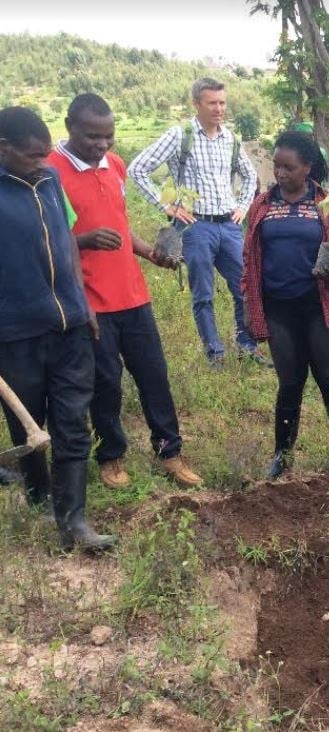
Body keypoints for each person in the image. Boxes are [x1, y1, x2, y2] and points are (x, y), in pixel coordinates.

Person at [47, 94, 203, 491]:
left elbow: (118, 224)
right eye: (91, 137)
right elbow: (49, 240)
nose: (101, 145)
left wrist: (150, 252)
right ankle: (111, 456)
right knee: (106, 383)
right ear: (69, 126)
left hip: (133, 295)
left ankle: (170, 451)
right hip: (90, 301)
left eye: (108, 137)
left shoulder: (115, 165)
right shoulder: (50, 172)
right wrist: (82, 242)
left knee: (154, 376)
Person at [0, 106, 116, 551]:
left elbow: (65, 235)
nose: (41, 162)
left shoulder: (49, 180)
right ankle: (36, 492)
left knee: (72, 423)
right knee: (26, 422)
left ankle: (75, 522)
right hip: (15, 333)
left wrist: (81, 301)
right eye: (32, 156)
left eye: (46, 154)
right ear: (4, 149)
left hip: (69, 325)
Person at [242, 131, 329, 481]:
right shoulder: (262, 205)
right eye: (277, 166)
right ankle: (282, 454)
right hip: (279, 308)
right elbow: (250, 258)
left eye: (288, 167)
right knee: (289, 381)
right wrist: (250, 304)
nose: (280, 173)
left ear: (307, 167)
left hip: (319, 307)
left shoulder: (327, 205)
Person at [128, 78, 268, 368]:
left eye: (222, 102)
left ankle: (247, 346)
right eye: (212, 103)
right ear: (197, 104)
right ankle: (214, 352)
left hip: (228, 226)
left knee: (243, 285)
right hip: (195, 228)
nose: (219, 109)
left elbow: (250, 176)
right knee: (203, 293)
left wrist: (242, 206)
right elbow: (137, 169)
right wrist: (166, 205)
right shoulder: (181, 135)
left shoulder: (230, 139)